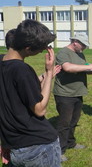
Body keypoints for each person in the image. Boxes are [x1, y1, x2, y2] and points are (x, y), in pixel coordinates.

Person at [0, 19, 61, 166]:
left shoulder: (3, 63)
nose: (42, 50)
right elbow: (40, 109)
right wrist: (48, 72)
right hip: (38, 147)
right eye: (41, 48)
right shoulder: (22, 70)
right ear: (28, 48)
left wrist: (5, 141)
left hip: (14, 144)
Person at [53, 32, 92, 161]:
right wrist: (89, 66)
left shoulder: (80, 53)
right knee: (64, 123)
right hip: (65, 93)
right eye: (83, 45)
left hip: (78, 92)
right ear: (75, 42)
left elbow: (81, 68)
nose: (84, 48)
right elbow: (67, 68)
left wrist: (91, 70)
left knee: (74, 121)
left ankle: (71, 143)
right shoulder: (63, 53)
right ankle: (59, 150)